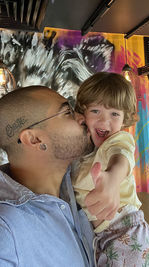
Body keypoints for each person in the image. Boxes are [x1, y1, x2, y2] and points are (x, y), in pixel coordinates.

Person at [0, 85, 95, 267]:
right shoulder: (6, 229)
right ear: (34, 139)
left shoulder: (79, 180)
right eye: (67, 112)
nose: (83, 118)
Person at [72, 72, 149, 266]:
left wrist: (112, 179)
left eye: (114, 114)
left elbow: (121, 157)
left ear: (125, 119)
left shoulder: (118, 140)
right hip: (104, 237)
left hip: (127, 234)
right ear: (83, 113)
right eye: (95, 111)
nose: (103, 121)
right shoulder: (89, 150)